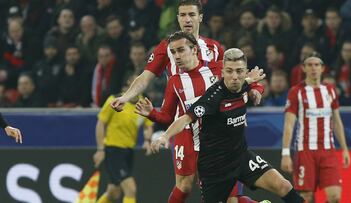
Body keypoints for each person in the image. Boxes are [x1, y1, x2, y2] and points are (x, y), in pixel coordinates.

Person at [110, 1, 250, 202]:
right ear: (177, 18)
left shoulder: (214, 48)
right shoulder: (167, 48)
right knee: (184, 183)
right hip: (184, 123)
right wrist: (125, 97)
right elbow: (145, 76)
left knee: (224, 189)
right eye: (182, 15)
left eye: (191, 14)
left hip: (215, 125)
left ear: (200, 17)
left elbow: (232, 81)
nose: (187, 19)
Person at [151, 48, 304, 203]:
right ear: (222, 72)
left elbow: (252, 84)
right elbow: (185, 119)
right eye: (229, 71)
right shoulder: (213, 97)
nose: (235, 77)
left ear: (245, 73)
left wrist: (256, 88)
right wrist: (165, 136)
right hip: (214, 168)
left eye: (239, 71)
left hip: (241, 156)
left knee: (284, 186)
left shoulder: (243, 84)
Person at [135, 31, 264, 203]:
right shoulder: (175, 81)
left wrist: (256, 90)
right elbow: (167, 116)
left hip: (219, 141)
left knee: (229, 199)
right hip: (187, 135)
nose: (176, 56)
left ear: (194, 50)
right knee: (184, 186)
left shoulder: (218, 68)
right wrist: (151, 113)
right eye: (173, 53)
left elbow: (246, 80)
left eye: (181, 50)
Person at [281, 52, 351, 203]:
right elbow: (289, 124)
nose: (314, 68)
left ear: (322, 68)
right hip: (305, 149)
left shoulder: (330, 90)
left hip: (328, 150)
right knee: (306, 197)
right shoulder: (296, 92)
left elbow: (337, 121)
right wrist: (285, 153)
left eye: (317, 65)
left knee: (335, 197)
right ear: (303, 68)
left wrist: (344, 148)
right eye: (310, 65)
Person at [93, 75, 153, 203]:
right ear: (129, 84)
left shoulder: (143, 103)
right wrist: (100, 149)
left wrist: (147, 141)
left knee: (113, 193)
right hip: (113, 150)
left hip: (128, 151)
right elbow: (101, 123)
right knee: (130, 189)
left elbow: (148, 126)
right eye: (134, 82)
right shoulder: (115, 100)